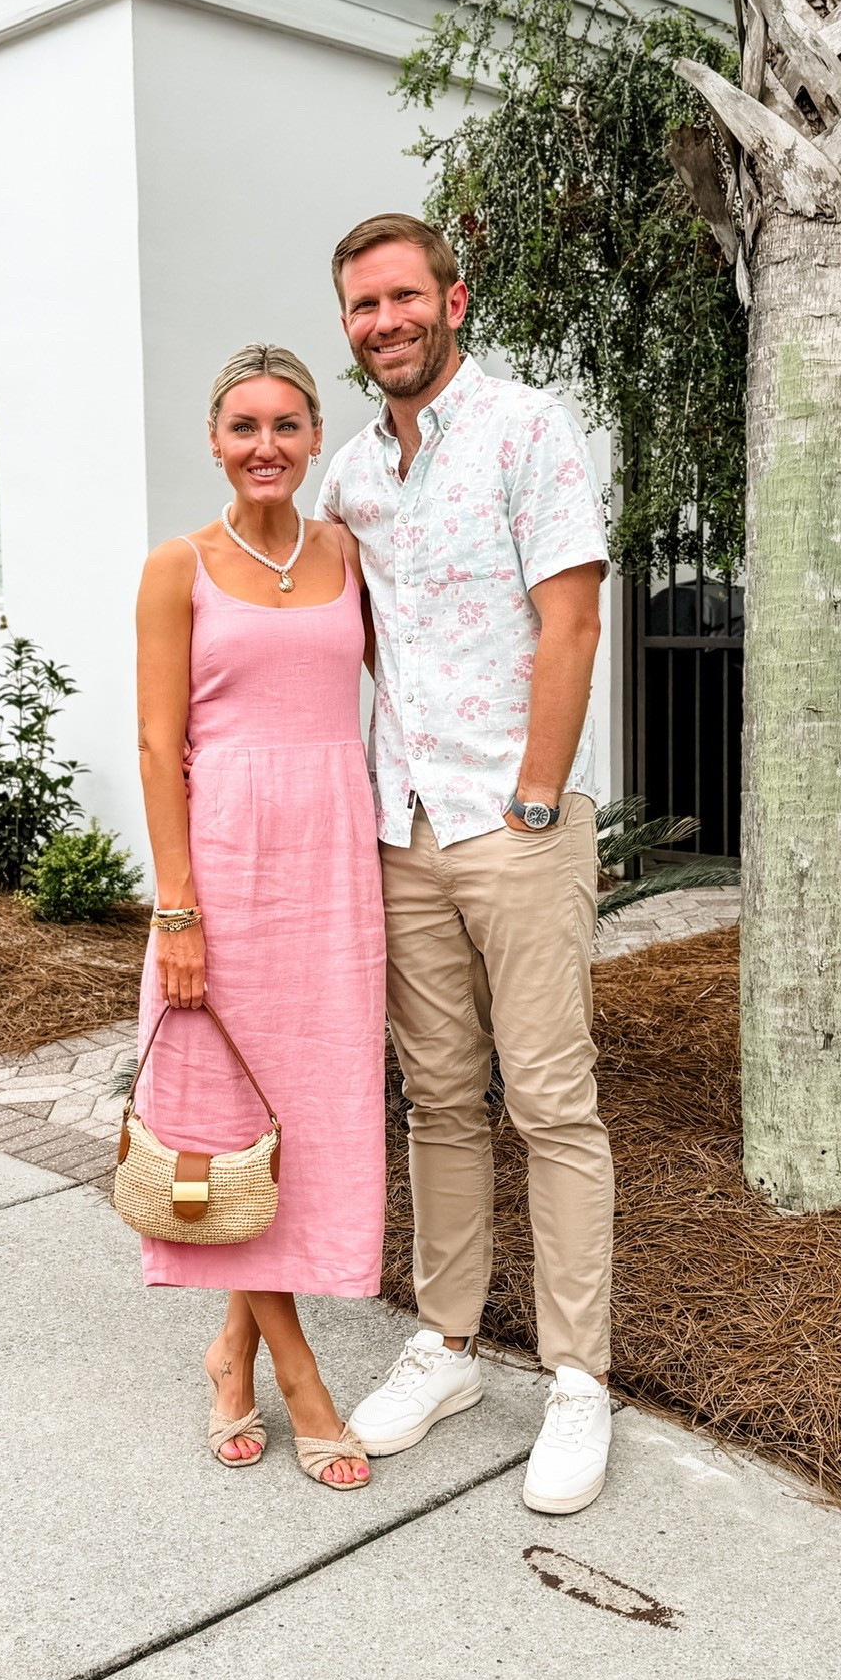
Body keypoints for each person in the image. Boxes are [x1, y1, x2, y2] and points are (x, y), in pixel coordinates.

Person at [317, 214, 615, 1516]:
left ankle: (578, 1379)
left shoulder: (528, 429)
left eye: (403, 296)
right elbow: (343, 634)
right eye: (362, 306)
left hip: (514, 825)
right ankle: (445, 1346)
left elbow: (573, 621)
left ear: (454, 299)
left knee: (551, 1103)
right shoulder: (348, 476)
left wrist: (536, 798)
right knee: (438, 1099)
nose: (384, 321)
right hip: (402, 827)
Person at [133, 344, 384, 1491]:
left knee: (308, 1113)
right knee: (229, 1116)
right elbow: (158, 745)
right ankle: (299, 1373)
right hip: (226, 868)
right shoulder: (176, 566)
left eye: (286, 424)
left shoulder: (349, 553)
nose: (265, 445)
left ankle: (229, 1345)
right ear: (215, 440)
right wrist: (177, 907)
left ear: (316, 434)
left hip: (331, 866)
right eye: (244, 426)